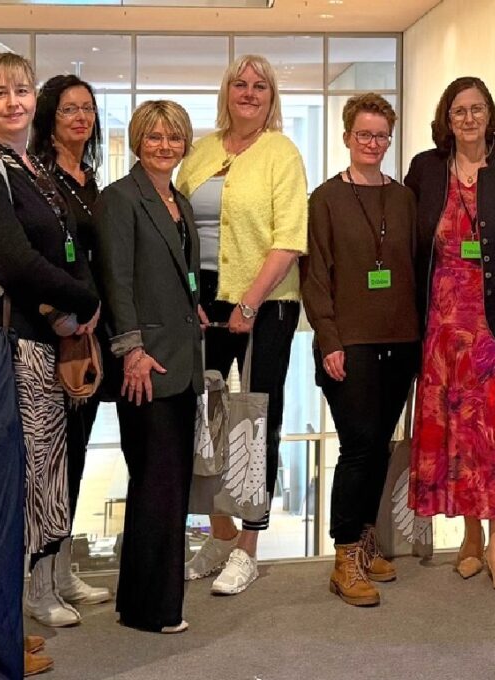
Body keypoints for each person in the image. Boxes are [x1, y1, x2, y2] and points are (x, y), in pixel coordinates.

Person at [0, 51, 102, 675]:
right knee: (3, 494)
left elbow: (63, 247)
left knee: (31, 487)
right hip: (2, 349)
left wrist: (76, 305)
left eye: (21, 91)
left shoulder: (31, 165)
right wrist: (82, 299)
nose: (12, 102)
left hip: (41, 344)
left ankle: (4, 626)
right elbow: (11, 260)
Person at [405, 76, 495, 597]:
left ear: (490, 115)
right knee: (458, 437)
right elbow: (409, 248)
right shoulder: (425, 169)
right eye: (459, 110)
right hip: (442, 333)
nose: (468, 118)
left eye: (477, 109)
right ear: (447, 118)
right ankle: (468, 536)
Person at [177, 54, 309, 596]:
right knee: (203, 418)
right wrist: (190, 297)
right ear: (226, 92)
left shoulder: (282, 153)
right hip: (203, 300)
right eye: (240, 83)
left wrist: (249, 304)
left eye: (260, 86)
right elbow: (178, 228)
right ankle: (221, 532)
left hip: (266, 301)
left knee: (255, 420)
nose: (249, 93)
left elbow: (290, 238)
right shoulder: (201, 152)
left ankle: (249, 546)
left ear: (271, 97)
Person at [302, 93, 420, 606]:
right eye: (364, 134)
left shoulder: (404, 198)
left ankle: (366, 541)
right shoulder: (325, 199)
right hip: (348, 345)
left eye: (381, 136)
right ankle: (344, 556)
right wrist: (329, 339)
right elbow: (315, 276)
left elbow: (415, 269)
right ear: (347, 136)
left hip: (400, 341)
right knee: (358, 446)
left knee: (379, 448)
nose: (373, 143)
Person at [95, 100, 205, 633]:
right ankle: (153, 608)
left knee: (168, 486)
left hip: (181, 360)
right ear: (139, 140)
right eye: (155, 137)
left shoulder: (178, 201)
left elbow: (180, 274)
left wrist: (192, 307)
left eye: (174, 137)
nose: (165, 146)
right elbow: (116, 281)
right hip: (146, 363)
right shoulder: (119, 199)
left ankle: (140, 602)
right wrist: (131, 350)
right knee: (156, 484)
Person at [27, 72, 115, 617]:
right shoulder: (39, 179)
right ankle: (37, 585)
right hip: (54, 331)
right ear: (49, 118)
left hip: (91, 334)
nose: (80, 118)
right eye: (68, 110)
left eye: (87, 109)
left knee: (76, 455)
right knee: (49, 461)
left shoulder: (90, 180)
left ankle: (60, 570)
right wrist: (64, 311)